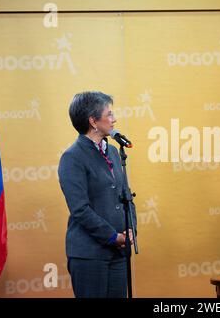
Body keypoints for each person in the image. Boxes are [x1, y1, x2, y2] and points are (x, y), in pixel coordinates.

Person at [58, 91, 137, 298]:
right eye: (109, 114)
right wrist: (112, 236)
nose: (114, 119)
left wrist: (131, 229)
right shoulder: (72, 157)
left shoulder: (113, 152)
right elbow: (80, 209)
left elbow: (126, 195)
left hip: (118, 253)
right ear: (93, 121)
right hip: (89, 255)